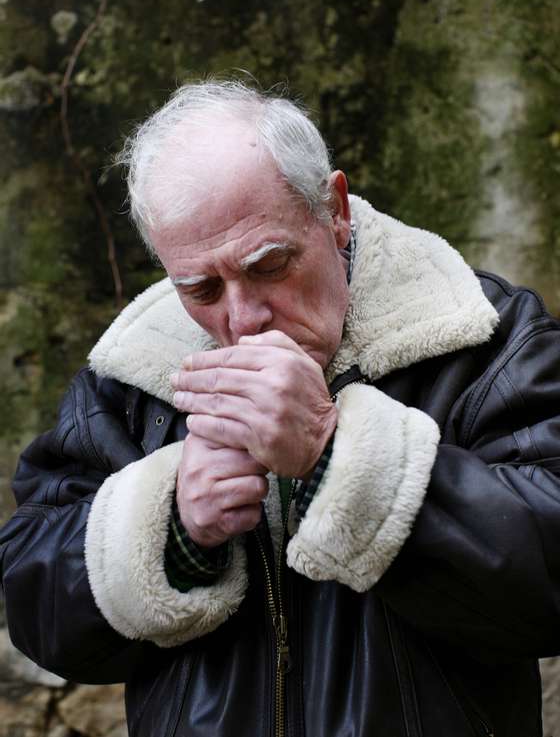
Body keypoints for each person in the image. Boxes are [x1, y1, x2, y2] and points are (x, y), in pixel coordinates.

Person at [1, 80, 560, 737]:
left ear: (335, 209)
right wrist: (169, 529)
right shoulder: (134, 372)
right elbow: (35, 606)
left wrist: (337, 453)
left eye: (268, 265)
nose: (242, 318)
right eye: (201, 287)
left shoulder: (483, 338)